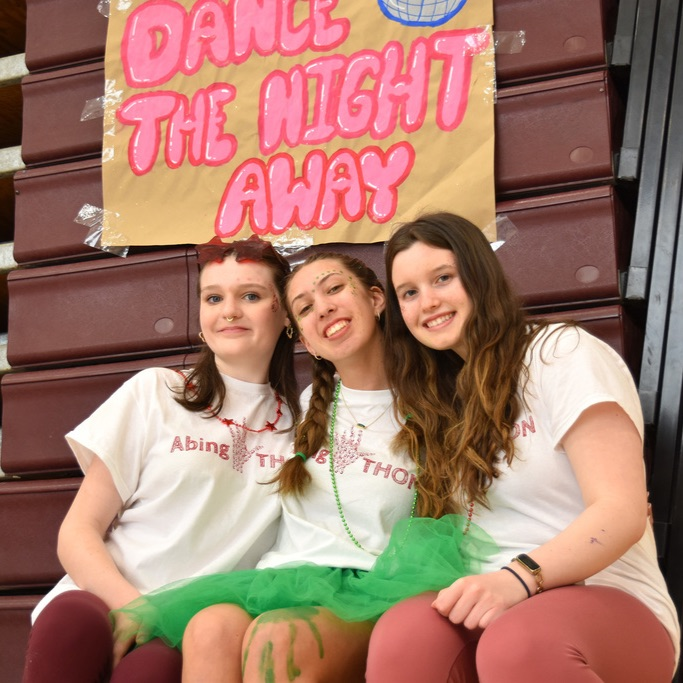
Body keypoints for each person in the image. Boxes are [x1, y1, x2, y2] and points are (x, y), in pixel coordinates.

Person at [114, 252, 492, 683]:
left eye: (333, 289)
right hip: (285, 578)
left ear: (376, 299)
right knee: (210, 626)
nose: (324, 307)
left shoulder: (441, 402)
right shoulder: (300, 410)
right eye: (306, 308)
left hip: (375, 588)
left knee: (280, 638)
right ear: (308, 342)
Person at [364, 212, 680, 682]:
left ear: (479, 275)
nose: (427, 302)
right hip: (488, 601)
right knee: (404, 634)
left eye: (443, 278)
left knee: (518, 644)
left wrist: (518, 577)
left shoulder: (560, 353)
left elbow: (622, 511)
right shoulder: (439, 399)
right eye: (409, 292)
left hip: (604, 598)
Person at [22, 236, 301, 683]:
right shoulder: (157, 391)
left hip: (186, 628)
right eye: (214, 297)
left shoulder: (306, 429)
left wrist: (157, 619)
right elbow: (77, 532)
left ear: (285, 312)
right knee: (68, 621)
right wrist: (133, 607)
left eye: (250, 295)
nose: (229, 310)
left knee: (152, 670)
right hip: (103, 598)